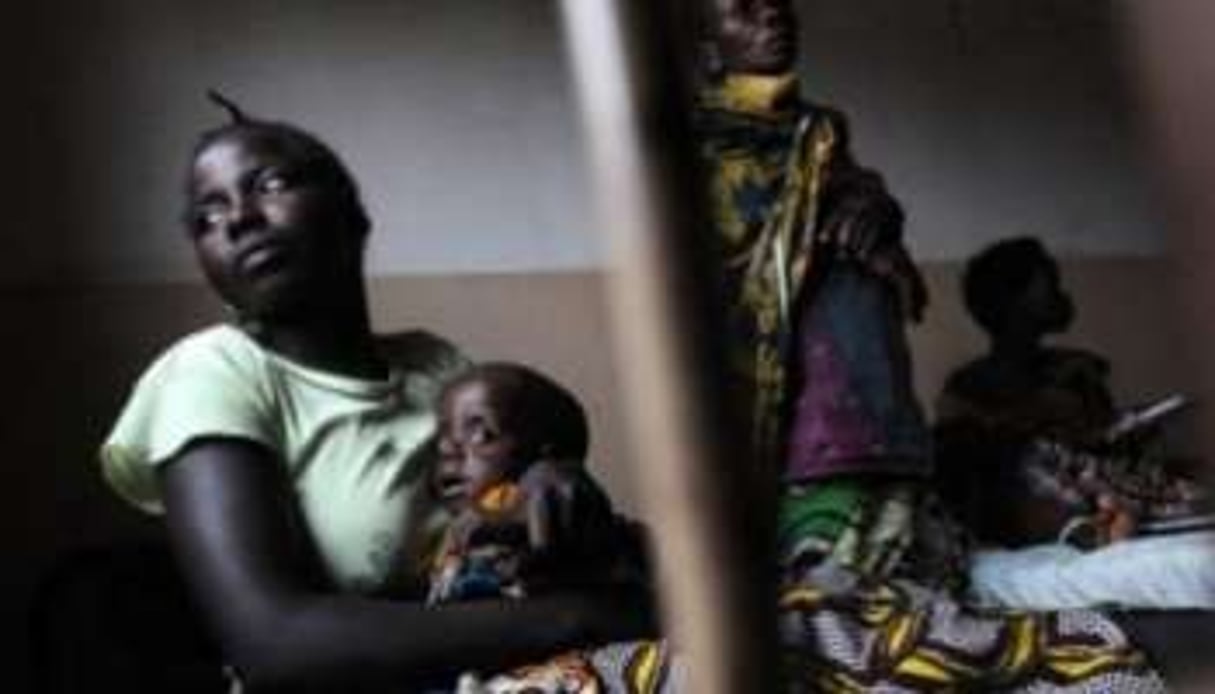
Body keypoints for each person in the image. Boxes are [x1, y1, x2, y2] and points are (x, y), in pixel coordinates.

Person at [100, 96, 655, 692]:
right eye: (207, 217)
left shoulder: (436, 365)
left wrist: (551, 475)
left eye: (270, 184)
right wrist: (585, 619)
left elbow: (514, 501)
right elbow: (274, 641)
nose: (236, 220)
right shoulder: (210, 373)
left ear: (353, 215)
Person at [698, 1, 1167, 689]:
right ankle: (858, 634)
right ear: (707, 41)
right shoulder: (694, 141)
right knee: (827, 565)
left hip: (867, 385)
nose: (772, 16)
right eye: (743, 8)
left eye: (780, 4)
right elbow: (730, 254)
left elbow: (852, 206)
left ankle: (916, 626)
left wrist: (871, 209)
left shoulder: (819, 130)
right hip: (795, 397)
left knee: (901, 546)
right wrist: (818, 231)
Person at [937, 236, 1215, 611]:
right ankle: (1089, 529)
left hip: (1100, 482)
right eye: (1048, 282)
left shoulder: (1076, 370)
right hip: (1039, 501)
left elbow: (1108, 443)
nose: (1059, 293)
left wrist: (1135, 429)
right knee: (1016, 456)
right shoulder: (969, 390)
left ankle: (1115, 518)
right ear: (1013, 302)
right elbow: (965, 470)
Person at [426, 363, 659, 693]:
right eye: (442, 440)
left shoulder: (539, 507)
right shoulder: (444, 539)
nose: (449, 450)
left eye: (482, 434)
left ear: (545, 459)